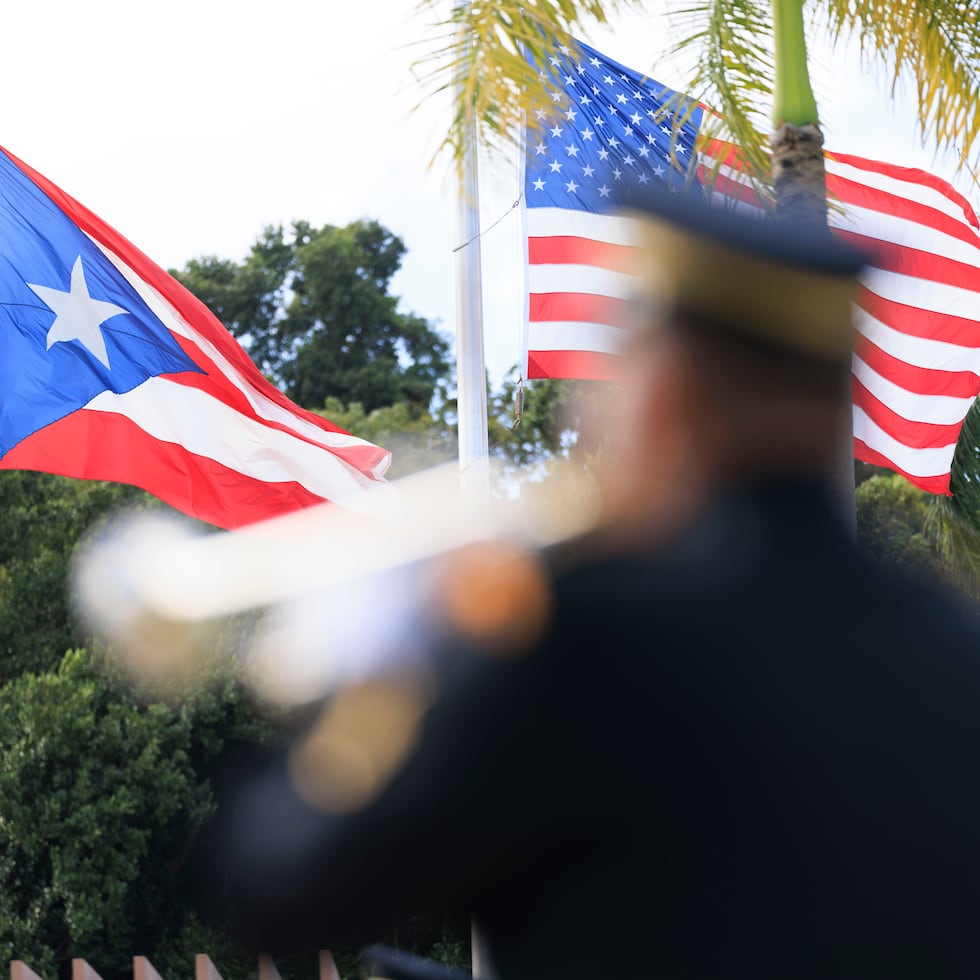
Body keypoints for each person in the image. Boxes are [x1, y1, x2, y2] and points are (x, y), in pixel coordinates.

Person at [197, 185, 980, 979]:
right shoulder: (957, 654)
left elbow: (286, 887)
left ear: (667, 400)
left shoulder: (583, 642)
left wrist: (386, 682)